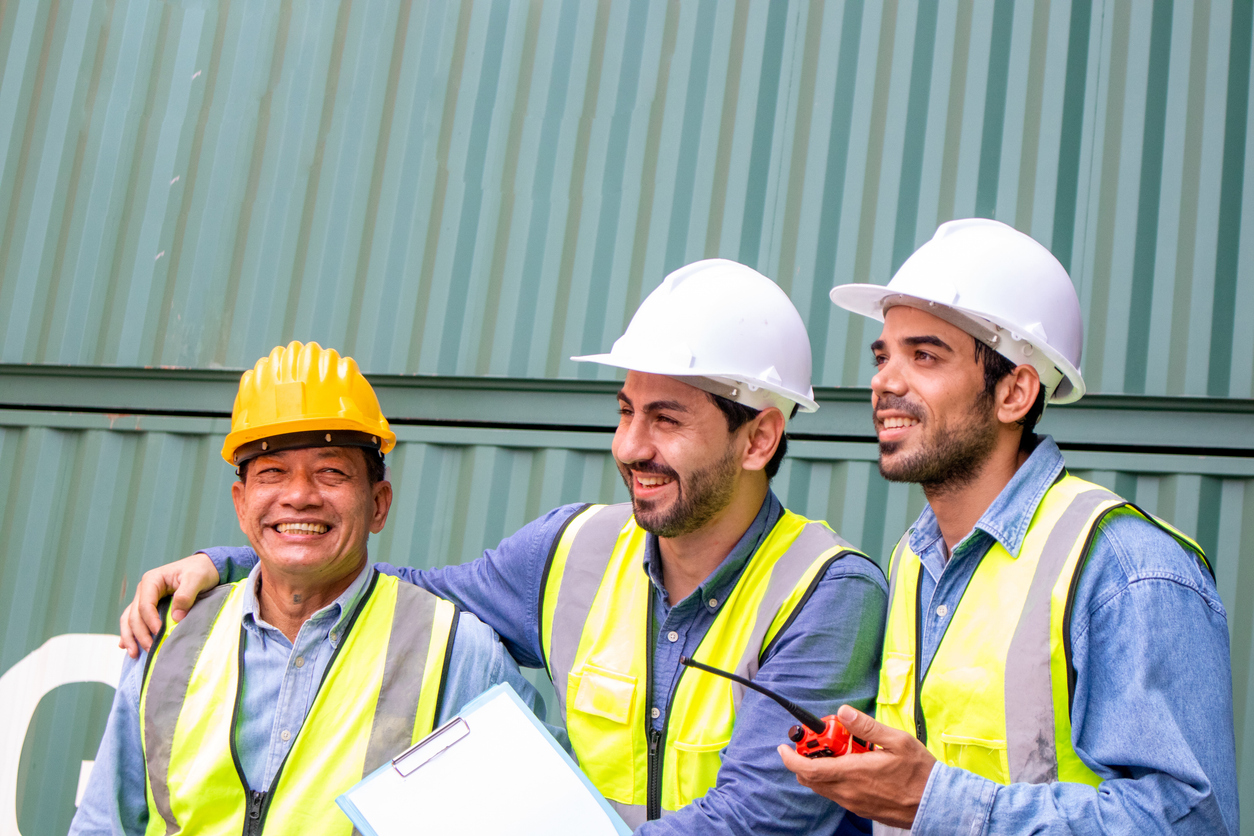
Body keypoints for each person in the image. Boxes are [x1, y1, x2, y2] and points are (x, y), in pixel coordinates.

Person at [118, 260, 889, 835]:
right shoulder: (571, 552)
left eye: (666, 420)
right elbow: (399, 593)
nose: (630, 445)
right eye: (625, 411)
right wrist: (243, 563)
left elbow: (753, 820)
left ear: (760, 437)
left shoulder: (827, 593)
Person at [779, 219, 1239, 834]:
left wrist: (932, 802)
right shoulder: (914, 561)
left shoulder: (1125, 569)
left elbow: (1190, 823)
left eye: (924, 355)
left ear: (1015, 392)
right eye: (883, 355)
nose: (884, 381)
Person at [72, 341, 546, 836]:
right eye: (272, 471)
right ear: (241, 503)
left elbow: (543, 817)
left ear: (379, 504)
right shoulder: (169, 636)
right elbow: (103, 825)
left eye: (330, 472)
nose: (299, 496)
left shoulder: (456, 653)